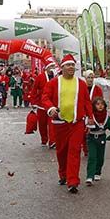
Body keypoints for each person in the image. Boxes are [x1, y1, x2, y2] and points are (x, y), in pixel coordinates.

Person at [41, 54, 91, 193]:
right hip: (60, 122)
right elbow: (45, 97)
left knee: (75, 151)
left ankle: (73, 181)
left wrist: (90, 117)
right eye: (68, 65)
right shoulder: (54, 83)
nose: (71, 67)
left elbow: (87, 101)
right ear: (62, 67)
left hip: (77, 122)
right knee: (62, 151)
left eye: (72, 65)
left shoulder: (80, 83)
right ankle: (63, 174)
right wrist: (50, 108)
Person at [85, 96, 110, 186]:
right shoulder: (91, 116)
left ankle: (97, 172)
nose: (100, 106)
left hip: (102, 138)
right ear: (94, 106)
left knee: (100, 157)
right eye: (97, 104)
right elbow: (85, 126)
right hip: (92, 138)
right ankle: (90, 176)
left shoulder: (107, 116)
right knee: (92, 157)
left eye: (102, 104)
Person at [32, 61, 59, 147]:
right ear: (46, 67)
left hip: (52, 104)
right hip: (41, 104)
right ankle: (44, 139)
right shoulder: (40, 77)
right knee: (42, 124)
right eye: (51, 66)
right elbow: (34, 89)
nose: (52, 68)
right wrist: (33, 101)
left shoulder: (57, 77)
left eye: (53, 66)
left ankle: (53, 141)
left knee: (52, 123)